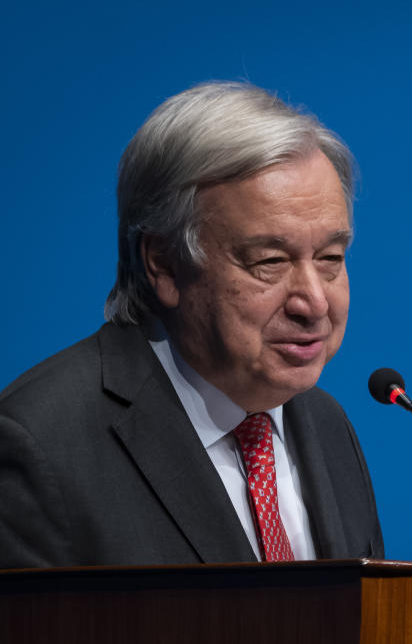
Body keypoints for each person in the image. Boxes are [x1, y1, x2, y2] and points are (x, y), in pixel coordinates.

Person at [0, 82, 384, 568]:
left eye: (330, 258)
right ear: (163, 264)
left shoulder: (324, 423)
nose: (313, 301)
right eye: (269, 261)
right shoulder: (40, 446)